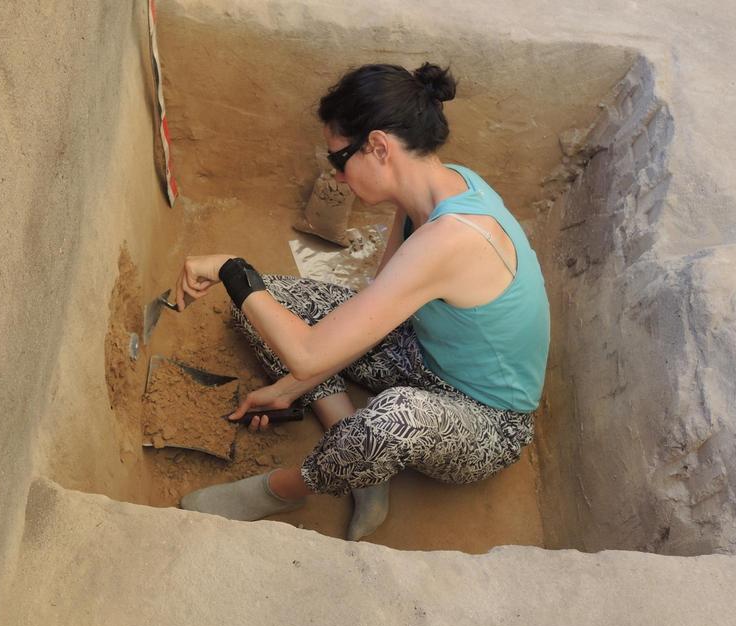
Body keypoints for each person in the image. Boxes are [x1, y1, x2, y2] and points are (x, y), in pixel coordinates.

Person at [174, 62, 550, 541]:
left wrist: (232, 269)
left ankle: (281, 490)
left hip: (485, 419)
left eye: (339, 159)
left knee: (396, 416)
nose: (337, 175)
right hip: (421, 349)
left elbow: (309, 353)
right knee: (274, 303)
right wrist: (288, 388)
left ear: (378, 147)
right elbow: (375, 308)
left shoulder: (454, 237)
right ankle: (356, 455)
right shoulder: (436, 186)